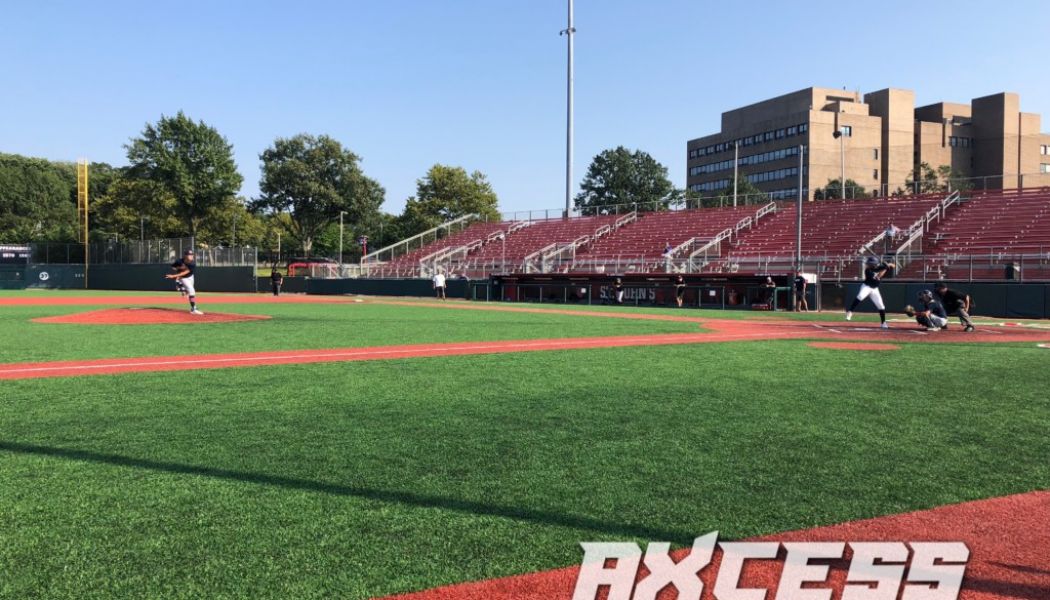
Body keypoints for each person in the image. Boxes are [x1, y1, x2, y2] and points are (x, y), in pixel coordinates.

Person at [845, 256, 896, 329]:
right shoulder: (868, 270)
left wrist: (889, 265)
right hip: (867, 287)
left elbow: (893, 266)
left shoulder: (880, 267)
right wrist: (885, 268)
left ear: (874, 264)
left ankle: (883, 323)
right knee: (860, 296)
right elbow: (878, 276)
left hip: (875, 289)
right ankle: (850, 312)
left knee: (881, 306)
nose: (868, 264)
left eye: (870, 264)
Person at [166, 249, 203, 315]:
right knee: (192, 291)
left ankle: (182, 288)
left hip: (190, 276)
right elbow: (173, 266)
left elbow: (185, 272)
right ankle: (193, 309)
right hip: (183, 278)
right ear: (185, 255)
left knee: (190, 291)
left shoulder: (192, 263)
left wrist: (174, 276)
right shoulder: (179, 261)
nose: (191, 256)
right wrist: (178, 269)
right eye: (189, 254)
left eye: (192, 254)